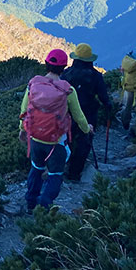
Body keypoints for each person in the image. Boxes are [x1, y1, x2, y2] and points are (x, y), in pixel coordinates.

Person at [18, 49, 92, 212]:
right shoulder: (68, 90)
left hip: (35, 138)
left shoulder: (33, 84)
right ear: (64, 68)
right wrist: (87, 129)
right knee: (55, 175)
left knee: (36, 169)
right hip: (56, 142)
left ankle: (30, 202)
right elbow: (79, 116)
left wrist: (22, 130)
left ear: (46, 64)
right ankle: (44, 205)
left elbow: (24, 110)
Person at [60, 43, 113, 180]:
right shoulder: (95, 76)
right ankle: (75, 172)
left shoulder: (66, 74)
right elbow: (103, 96)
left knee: (68, 140)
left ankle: (63, 166)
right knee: (85, 142)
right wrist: (108, 106)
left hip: (68, 113)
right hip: (88, 113)